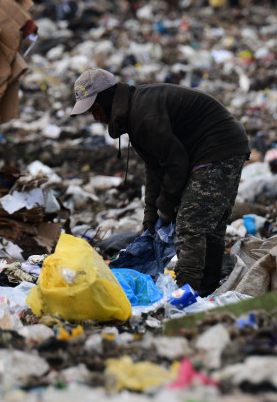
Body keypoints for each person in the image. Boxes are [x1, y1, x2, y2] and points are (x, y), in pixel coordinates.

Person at [70, 68, 250, 296]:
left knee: (191, 227)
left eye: (94, 109)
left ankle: (187, 297)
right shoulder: (134, 114)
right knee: (208, 228)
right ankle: (207, 291)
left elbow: (176, 164)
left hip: (218, 149)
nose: (95, 117)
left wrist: (165, 209)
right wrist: (150, 217)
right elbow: (155, 169)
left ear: (106, 100)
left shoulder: (144, 114)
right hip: (217, 149)